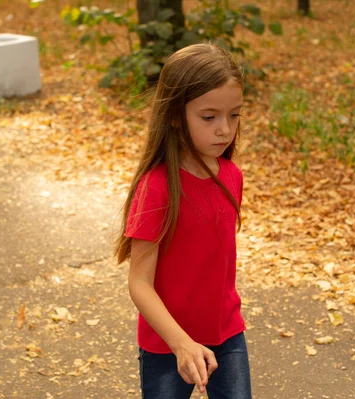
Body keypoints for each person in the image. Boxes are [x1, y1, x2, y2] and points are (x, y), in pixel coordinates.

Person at [115, 43, 251, 399]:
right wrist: (181, 343)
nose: (225, 129)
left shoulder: (232, 175)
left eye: (234, 115)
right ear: (175, 115)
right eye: (209, 117)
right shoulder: (157, 188)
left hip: (227, 334)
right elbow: (139, 283)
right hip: (166, 344)